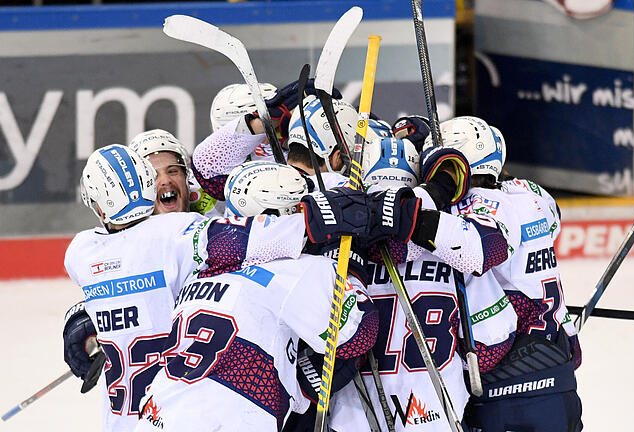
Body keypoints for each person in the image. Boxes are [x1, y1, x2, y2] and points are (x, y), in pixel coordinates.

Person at [61, 145, 388, 431]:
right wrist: (324, 221)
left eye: (172, 170)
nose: (165, 181)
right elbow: (245, 239)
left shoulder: (80, 252)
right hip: (211, 404)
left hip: (140, 417)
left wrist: (91, 316)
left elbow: (130, 283)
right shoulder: (176, 235)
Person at [329, 136, 515, 432]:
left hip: (355, 419)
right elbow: (491, 340)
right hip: (437, 418)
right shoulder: (453, 250)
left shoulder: (335, 248)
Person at [424, 116, 583, 432]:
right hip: (558, 368)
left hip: (509, 383)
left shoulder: (480, 203)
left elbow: (482, 247)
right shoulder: (532, 193)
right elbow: (552, 222)